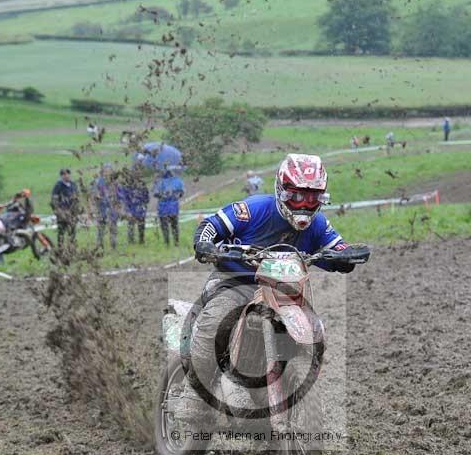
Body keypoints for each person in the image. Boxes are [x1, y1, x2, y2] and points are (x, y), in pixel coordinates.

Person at [174, 153, 369, 424]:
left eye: (313, 198)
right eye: (297, 196)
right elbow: (211, 225)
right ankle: (193, 396)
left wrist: (347, 254)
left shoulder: (318, 224)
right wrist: (206, 244)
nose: (305, 204)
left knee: (313, 330)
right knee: (214, 323)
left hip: (284, 291)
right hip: (235, 282)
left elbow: (337, 246)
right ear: (281, 190)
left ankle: (276, 394)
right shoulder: (254, 209)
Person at [153, 169, 185, 247]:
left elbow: (155, 193)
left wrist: (163, 196)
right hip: (173, 207)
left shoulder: (159, 182)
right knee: (174, 225)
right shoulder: (178, 181)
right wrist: (176, 195)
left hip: (163, 208)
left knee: (165, 226)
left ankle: (167, 243)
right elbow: (182, 192)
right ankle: (176, 242)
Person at [118, 166, 149, 245]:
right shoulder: (128, 185)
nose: (136, 175)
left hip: (140, 206)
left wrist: (144, 204)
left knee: (141, 224)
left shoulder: (143, 184)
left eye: (138, 174)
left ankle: (141, 240)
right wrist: (127, 209)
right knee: (131, 224)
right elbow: (125, 197)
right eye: (134, 174)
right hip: (131, 206)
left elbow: (146, 196)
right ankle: (130, 241)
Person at [91, 164, 119, 251]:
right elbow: (94, 194)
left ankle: (113, 246)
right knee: (101, 229)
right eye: (106, 171)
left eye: (110, 171)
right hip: (102, 208)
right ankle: (100, 246)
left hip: (112, 209)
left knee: (113, 229)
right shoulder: (98, 182)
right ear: (103, 172)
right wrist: (97, 197)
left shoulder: (114, 182)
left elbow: (118, 195)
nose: (108, 173)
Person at [50, 168, 80, 249]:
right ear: (61, 176)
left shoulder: (73, 184)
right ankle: (61, 249)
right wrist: (58, 211)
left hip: (72, 212)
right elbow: (54, 200)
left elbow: (77, 197)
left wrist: (77, 209)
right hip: (62, 213)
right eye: (64, 174)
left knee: (72, 232)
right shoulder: (58, 185)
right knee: (61, 232)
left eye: (68, 174)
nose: (66, 176)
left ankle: (71, 249)